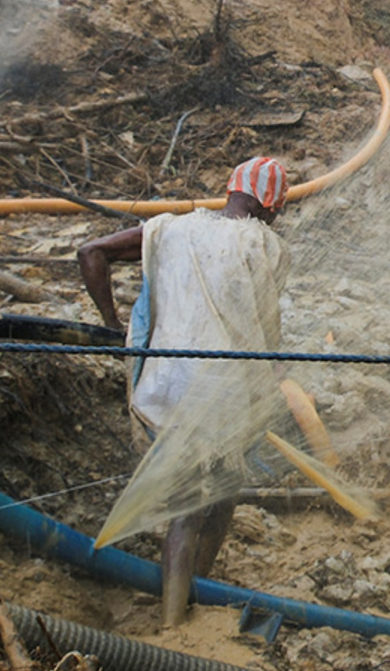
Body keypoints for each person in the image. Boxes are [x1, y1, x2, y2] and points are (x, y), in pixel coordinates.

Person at [77, 157, 292, 628]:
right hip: (222, 396)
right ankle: (176, 624)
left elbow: (90, 252)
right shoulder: (267, 246)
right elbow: (264, 334)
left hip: (166, 389)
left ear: (230, 190)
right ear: (273, 207)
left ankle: (188, 602)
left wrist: (113, 326)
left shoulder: (168, 229)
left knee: (202, 499)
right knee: (202, 506)